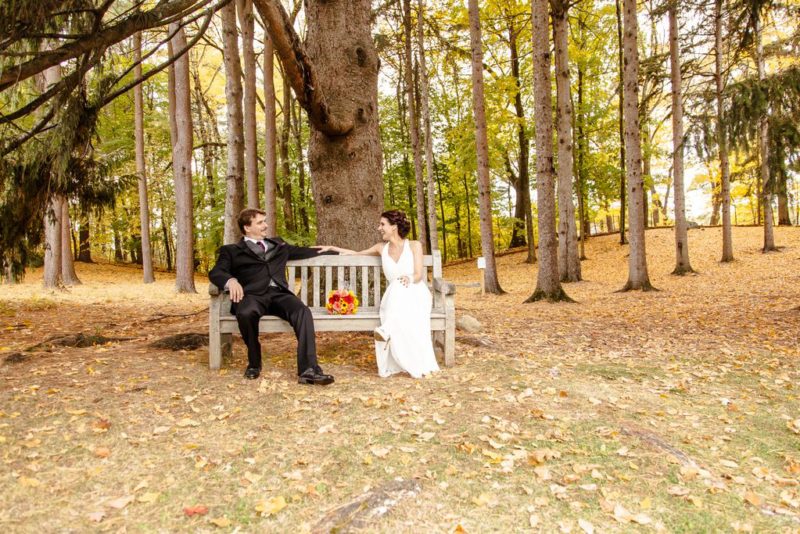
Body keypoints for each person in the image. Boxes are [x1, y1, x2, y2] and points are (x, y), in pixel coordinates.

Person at [209, 208, 336, 385]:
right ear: (247, 227)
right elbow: (216, 271)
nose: (266, 225)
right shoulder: (231, 250)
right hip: (251, 296)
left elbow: (304, 251)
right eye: (260, 222)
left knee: (302, 311)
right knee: (245, 313)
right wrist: (230, 281)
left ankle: (308, 370)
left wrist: (334, 250)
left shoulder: (279, 245)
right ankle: (254, 361)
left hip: (279, 295)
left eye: (265, 221)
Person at [329, 210, 440, 378]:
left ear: (394, 227)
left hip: (416, 292)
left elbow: (418, 275)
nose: (379, 228)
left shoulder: (414, 245)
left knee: (399, 285)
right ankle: (386, 331)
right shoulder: (381, 248)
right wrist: (331, 248)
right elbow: (356, 253)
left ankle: (386, 330)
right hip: (394, 297)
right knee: (396, 286)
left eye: (382, 224)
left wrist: (408, 278)